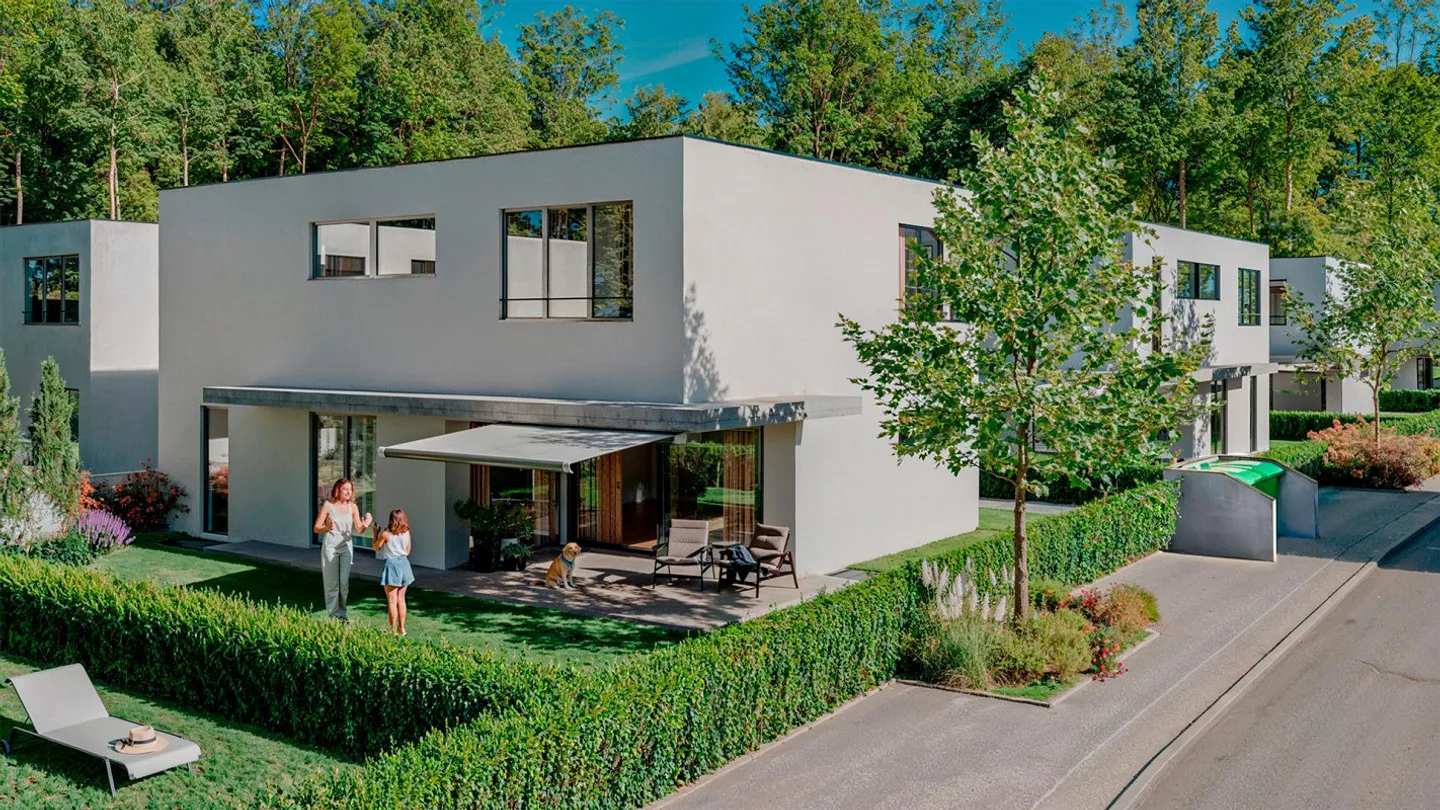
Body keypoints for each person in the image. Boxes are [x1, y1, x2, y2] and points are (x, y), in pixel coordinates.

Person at [313, 478, 372, 620]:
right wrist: (326, 528)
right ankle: (334, 616)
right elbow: (316, 528)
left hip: (346, 548)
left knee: (343, 584)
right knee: (332, 584)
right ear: (338, 489)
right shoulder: (328, 505)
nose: (348, 492)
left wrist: (366, 524)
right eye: (345, 489)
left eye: (350, 489)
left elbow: (359, 528)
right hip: (331, 548)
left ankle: (342, 613)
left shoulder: (353, 507)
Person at [372, 509, 415, 635]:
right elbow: (407, 551)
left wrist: (375, 533)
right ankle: (401, 628)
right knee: (401, 599)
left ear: (391, 520)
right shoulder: (407, 532)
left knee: (392, 600)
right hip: (404, 564)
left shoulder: (386, 534)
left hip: (392, 565)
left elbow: (375, 547)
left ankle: (392, 629)